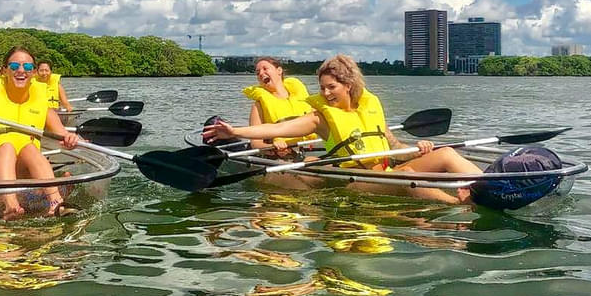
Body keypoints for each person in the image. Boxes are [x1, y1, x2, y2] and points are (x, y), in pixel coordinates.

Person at [204, 54, 483, 204]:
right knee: (408, 177)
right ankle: (462, 205)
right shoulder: (321, 118)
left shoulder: (370, 108)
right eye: (322, 87)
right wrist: (235, 133)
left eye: (331, 87)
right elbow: (284, 126)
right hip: (357, 179)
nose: (325, 93)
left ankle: (493, 185)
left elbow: (394, 148)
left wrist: (416, 149)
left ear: (348, 86)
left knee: (445, 153)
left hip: (386, 172)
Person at [0, 46, 82, 219]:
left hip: (24, 182)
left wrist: (71, 140)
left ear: (33, 72)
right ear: (4, 71)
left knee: (29, 148)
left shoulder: (43, 107)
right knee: (6, 148)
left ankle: (55, 204)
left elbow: (64, 135)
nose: (20, 71)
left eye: (27, 67)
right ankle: (11, 206)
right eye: (14, 66)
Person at [241, 57, 317, 157]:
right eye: (257, 72)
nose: (261, 73)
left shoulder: (302, 97)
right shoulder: (258, 105)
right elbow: (255, 143)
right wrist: (273, 146)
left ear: (279, 71)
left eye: (265, 68)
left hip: (306, 149)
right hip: (280, 155)